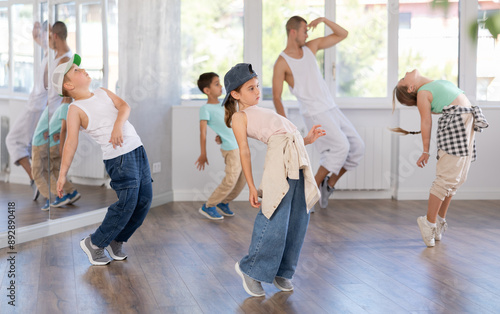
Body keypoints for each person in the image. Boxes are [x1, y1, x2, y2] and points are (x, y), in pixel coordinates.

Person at [223, 63, 325, 297]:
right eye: (250, 88)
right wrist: (250, 185)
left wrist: (307, 139)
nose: (257, 91)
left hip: (296, 155)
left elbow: (289, 137)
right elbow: (245, 151)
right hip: (279, 160)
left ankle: (282, 271)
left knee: (299, 216)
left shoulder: (261, 109)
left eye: (257, 86)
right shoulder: (240, 117)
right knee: (275, 212)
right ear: (235, 94)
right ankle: (251, 269)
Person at [53, 54, 152, 265]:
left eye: (81, 67)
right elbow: (71, 143)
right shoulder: (75, 109)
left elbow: (125, 107)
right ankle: (95, 243)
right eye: (76, 71)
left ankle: (117, 240)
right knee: (127, 203)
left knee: (144, 201)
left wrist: (117, 126)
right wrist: (62, 175)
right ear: (69, 84)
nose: (83, 70)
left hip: (137, 150)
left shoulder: (102, 92)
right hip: (119, 158)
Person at [272, 16, 365, 209]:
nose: (308, 33)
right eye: (305, 30)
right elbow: (277, 97)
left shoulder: (310, 48)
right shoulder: (282, 62)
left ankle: (328, 185)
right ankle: (307, 196)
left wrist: (323, 20)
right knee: (341, 147)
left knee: (357, 148)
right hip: (314, 112)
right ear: (293, 32)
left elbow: (343, 34)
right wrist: (285, 124)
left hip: (331, 108)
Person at [392, 69, 488, 247]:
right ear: (411, 87)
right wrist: (425, 151)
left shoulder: (431, 85)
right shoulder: (422, 93)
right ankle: (428, 223)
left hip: (466, 124)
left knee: (457, 179)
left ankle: (439, 219)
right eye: (404, 78)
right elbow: (426, 121)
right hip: (456, 127)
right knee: (445, 179)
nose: (405, 72)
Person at [5, 21, 49, 200]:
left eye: (45, 33)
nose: (41, 38)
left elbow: (50, 89)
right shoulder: (49, 51)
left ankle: (36, 179)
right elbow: (39, 39)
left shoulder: (53, 56)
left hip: (36, 107)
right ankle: (40, 179)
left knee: (13, 140)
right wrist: (36, 32)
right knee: (31, 146)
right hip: (36, 105)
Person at [195, 72, 246, 220]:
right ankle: (209, 205)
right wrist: (203, 154)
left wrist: (221, 135)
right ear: (207, 90)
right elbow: (203, 133)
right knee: (230, 179)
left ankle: (223, 203)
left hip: (240, 144)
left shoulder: (225, 104)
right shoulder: (205, 109)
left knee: (242, 180)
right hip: (231, 149)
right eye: (216, 84)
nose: (221, 86)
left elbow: (228, 125)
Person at [30, 104, 79, 211]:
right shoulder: (66, 107)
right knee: (54, 171)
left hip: (42, 143)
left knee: (40, 174)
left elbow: (63, 129)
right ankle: (70, 192)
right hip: (49, 142)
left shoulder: (60, 107)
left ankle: (54, 197)